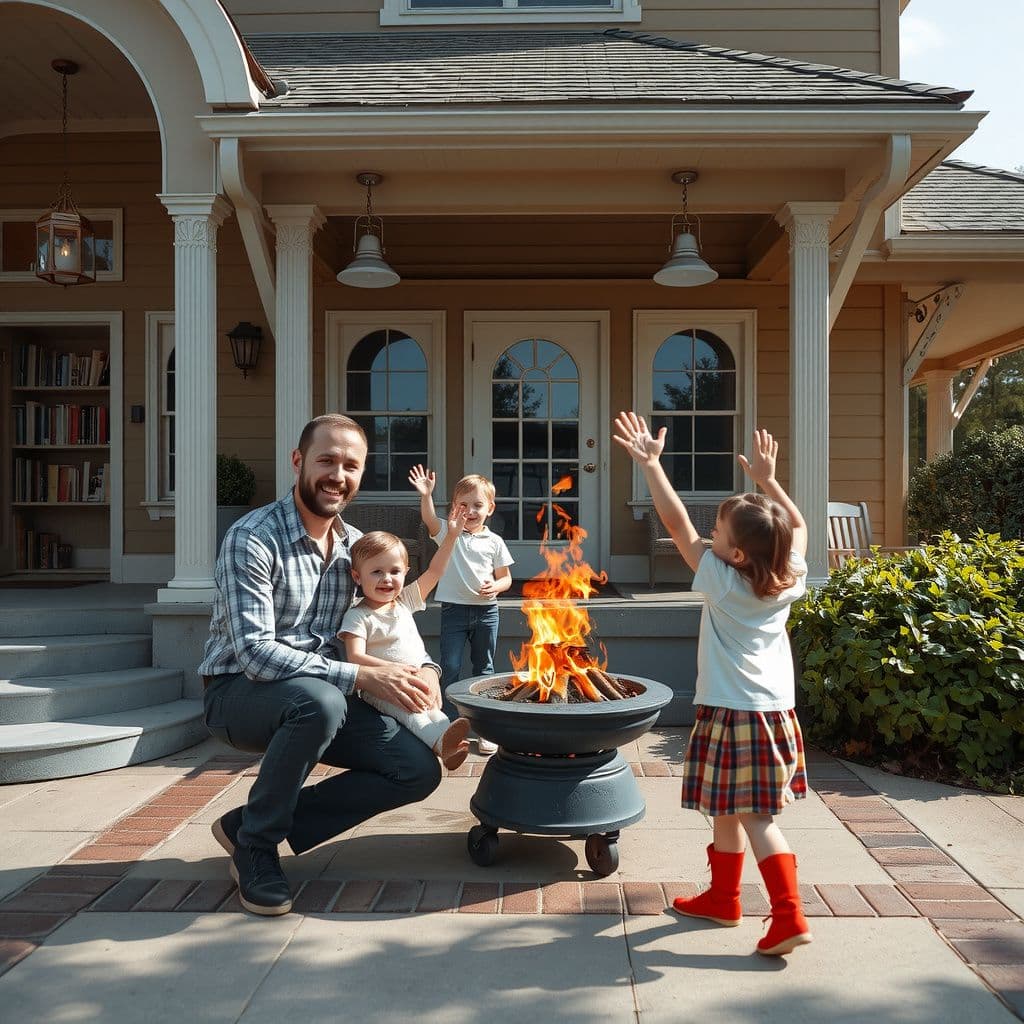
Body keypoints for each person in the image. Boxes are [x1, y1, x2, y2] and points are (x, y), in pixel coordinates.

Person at [200, 414, 443, 917]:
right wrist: (361, 675)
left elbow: (392, 621)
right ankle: (257, 848)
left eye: (350, 465)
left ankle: (246, 823)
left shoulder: (357, 549)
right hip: (238, 692)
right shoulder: (252, 537)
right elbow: (255, 653)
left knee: (416, 769)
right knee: (321, 698)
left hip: (323, 696)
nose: (338, 474)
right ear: (298, 462)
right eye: (326, 460)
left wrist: (427, 670)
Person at [613, 412, 812, 957]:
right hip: (771, 712)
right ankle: (725, 897)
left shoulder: (724, 582)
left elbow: (676, 525)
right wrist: (769, 482)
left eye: (718, 534)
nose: (709, 537)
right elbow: (796, 525)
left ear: (737, 554)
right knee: (726, 806)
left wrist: (652, 466)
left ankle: (788, 914)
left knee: (756, 817)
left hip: (733, 711)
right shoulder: (788, 572)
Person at [339, 515, 472, 772]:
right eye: (376, 572)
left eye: (394, 571)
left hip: (415, 680)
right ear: (357, 576)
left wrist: (452, 537)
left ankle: (448, 741)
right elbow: (355, 657)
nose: (387, 579)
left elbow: (435, 571)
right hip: (381, 688)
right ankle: (441, 743)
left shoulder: (405, 602)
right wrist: (391, 670)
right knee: (412, 715)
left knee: (432, 710)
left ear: (406, 573)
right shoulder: (358, 615)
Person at [409, 466, 514, 753]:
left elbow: (506, 577)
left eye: (477, 505)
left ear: (490, 508)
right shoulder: (447, 532)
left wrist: (497, 586)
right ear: (454, 508)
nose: (470, 511)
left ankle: (484, 729)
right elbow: (429, 519)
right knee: (452, 667)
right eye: (463, 505)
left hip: (486, 612)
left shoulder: (494, 541)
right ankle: (449, 727)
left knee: (484, 669)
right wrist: (427, 495)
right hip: (454, 611)